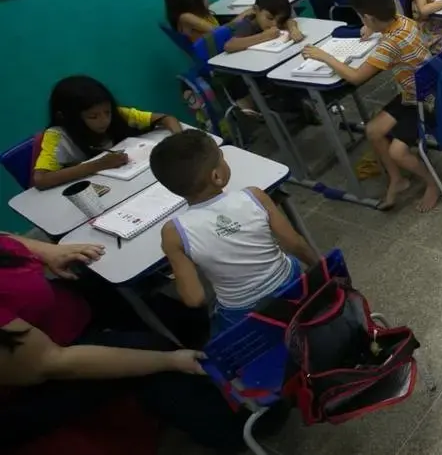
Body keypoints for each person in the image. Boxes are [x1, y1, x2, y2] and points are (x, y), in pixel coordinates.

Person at [0, 233, 253, 450]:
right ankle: (237, 431)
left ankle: (216, 361)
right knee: (156, 355)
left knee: (165, 308)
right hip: (37, 377)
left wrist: (48, 251)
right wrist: (168, 360)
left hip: (57, 310)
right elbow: (51, 363)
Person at [152, 131, 319, 335]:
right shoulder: (254, 196)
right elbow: (295, 244)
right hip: (290, 287)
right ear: (217, 176)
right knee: (289, 262)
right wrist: (320, 267)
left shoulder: (173, 233)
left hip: (243, 314)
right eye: (221, 158)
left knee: (219, 317)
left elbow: (194, 298)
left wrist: (176, 253)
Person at [301, 0, 442, 212]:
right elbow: (387, 37)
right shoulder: (403, 22)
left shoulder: (389, 45)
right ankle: (397, 180)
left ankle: (432, 183)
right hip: (420, 90)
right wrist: (373, 27)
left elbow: (356, 77)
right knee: (373, 130)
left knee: (397, 151)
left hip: (423, 101)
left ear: (368, 17)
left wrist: (325, 56)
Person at [32, 76, 181, 190]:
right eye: (93, 116)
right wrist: (98, 165)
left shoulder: (118, 115)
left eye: (107, 112)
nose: (104, 120)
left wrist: (179, 138)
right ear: (68, 117)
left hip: (130, 183)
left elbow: (167, 119)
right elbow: (40, 180)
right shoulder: (57, 136)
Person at [164, 0, 254, 44]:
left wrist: (244, 14)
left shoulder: (199, 15)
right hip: (216, 51)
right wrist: (242, 16)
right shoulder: (186, 17)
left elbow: (223, 30)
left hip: (221, 40)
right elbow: (218, 31)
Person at [221, 0, 306, 52]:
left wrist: (293, 29)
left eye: (279, 20)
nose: (274, 24)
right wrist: (264, 36)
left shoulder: (271, 22)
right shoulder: (247, 24)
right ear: (255, 9)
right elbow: (229, 45)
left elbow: (289, 21)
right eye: (270, 18)